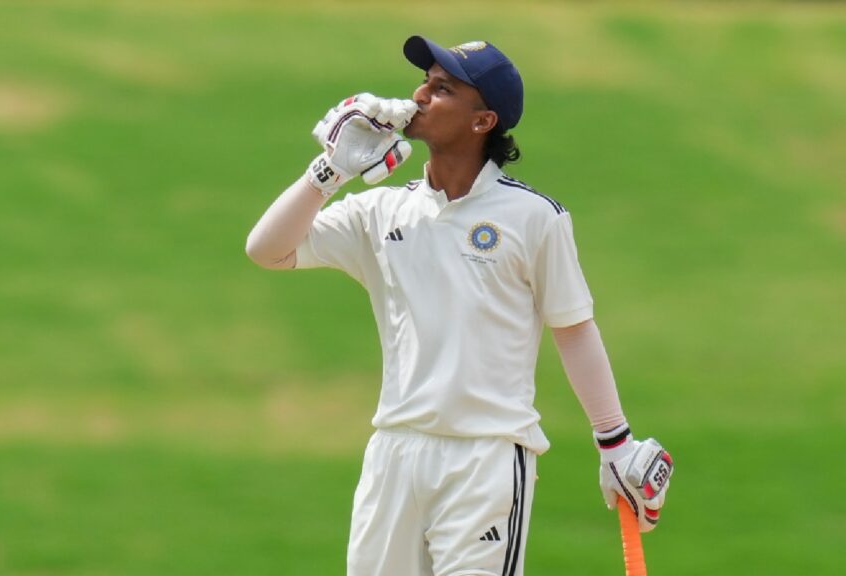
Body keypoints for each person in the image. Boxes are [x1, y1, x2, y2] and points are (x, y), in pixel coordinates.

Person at [246, 35, 673, 576]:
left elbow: (573, 327)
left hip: (486, 458)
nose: (420, 95)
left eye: (443, 88)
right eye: (424, 82)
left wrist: (614, 442)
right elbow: (267, 250)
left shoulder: (533, 217)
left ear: (482, 121)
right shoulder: (381, 211)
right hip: (394, 454)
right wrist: (329, 171)